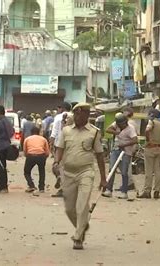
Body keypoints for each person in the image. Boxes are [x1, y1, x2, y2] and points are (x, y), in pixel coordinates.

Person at [53, 102, 107, 250]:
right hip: (68, 173)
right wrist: (56, 162)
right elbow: (60, 148)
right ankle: (82, 226)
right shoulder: (66, 131)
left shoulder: (94, 132)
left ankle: (78, 238)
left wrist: (103, 178)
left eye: (81, 114)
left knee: (82, 206)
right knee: (69, 209)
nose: (77, 117)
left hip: (86, 172)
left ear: (87, 116)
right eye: (75, 113)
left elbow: (100, 155)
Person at [102, 113, 138, 199]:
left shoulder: (130, 129)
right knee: (112, 169)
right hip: (116, 150)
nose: (122, 125)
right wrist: (116, 132)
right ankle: (109, 190)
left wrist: (124, 144)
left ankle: (124, 192)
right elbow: (108, 129)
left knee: (124, 171)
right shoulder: (116, 125)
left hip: (126, 152)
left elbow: (135, 140)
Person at [138, 109, 160, 199]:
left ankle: (147, 191)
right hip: (159, 148)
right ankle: (157, 191)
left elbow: (147, 129)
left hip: (150, 148)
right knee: (157, 170)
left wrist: (148, 139)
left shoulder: (151, 122)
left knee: (148, 171)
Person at [50, 101, 72, 197]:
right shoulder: (74, 116)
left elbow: (54, 131)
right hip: (71, 144)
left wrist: (51, 143)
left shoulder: (58, 117)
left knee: (56, 165)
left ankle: (60, 178)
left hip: (59, 144)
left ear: (62, 108)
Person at [0, 105, 14, 193]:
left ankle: (3, 186)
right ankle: (1, 186)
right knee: (2, 166)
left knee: (0, 167)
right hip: (6, 145)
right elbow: (12, 132)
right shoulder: (7, 121)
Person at [23, 126, 50, 193]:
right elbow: (47, 151)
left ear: (31, 132)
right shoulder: (43, 139)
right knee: (41, 171)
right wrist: (45, 157)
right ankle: (41, 188)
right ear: (38, 132)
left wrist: (28, 156)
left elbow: (25, 150)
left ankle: (31, 185)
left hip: (31, 155)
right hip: (41, 155)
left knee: (26, 172)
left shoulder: (27, 139)